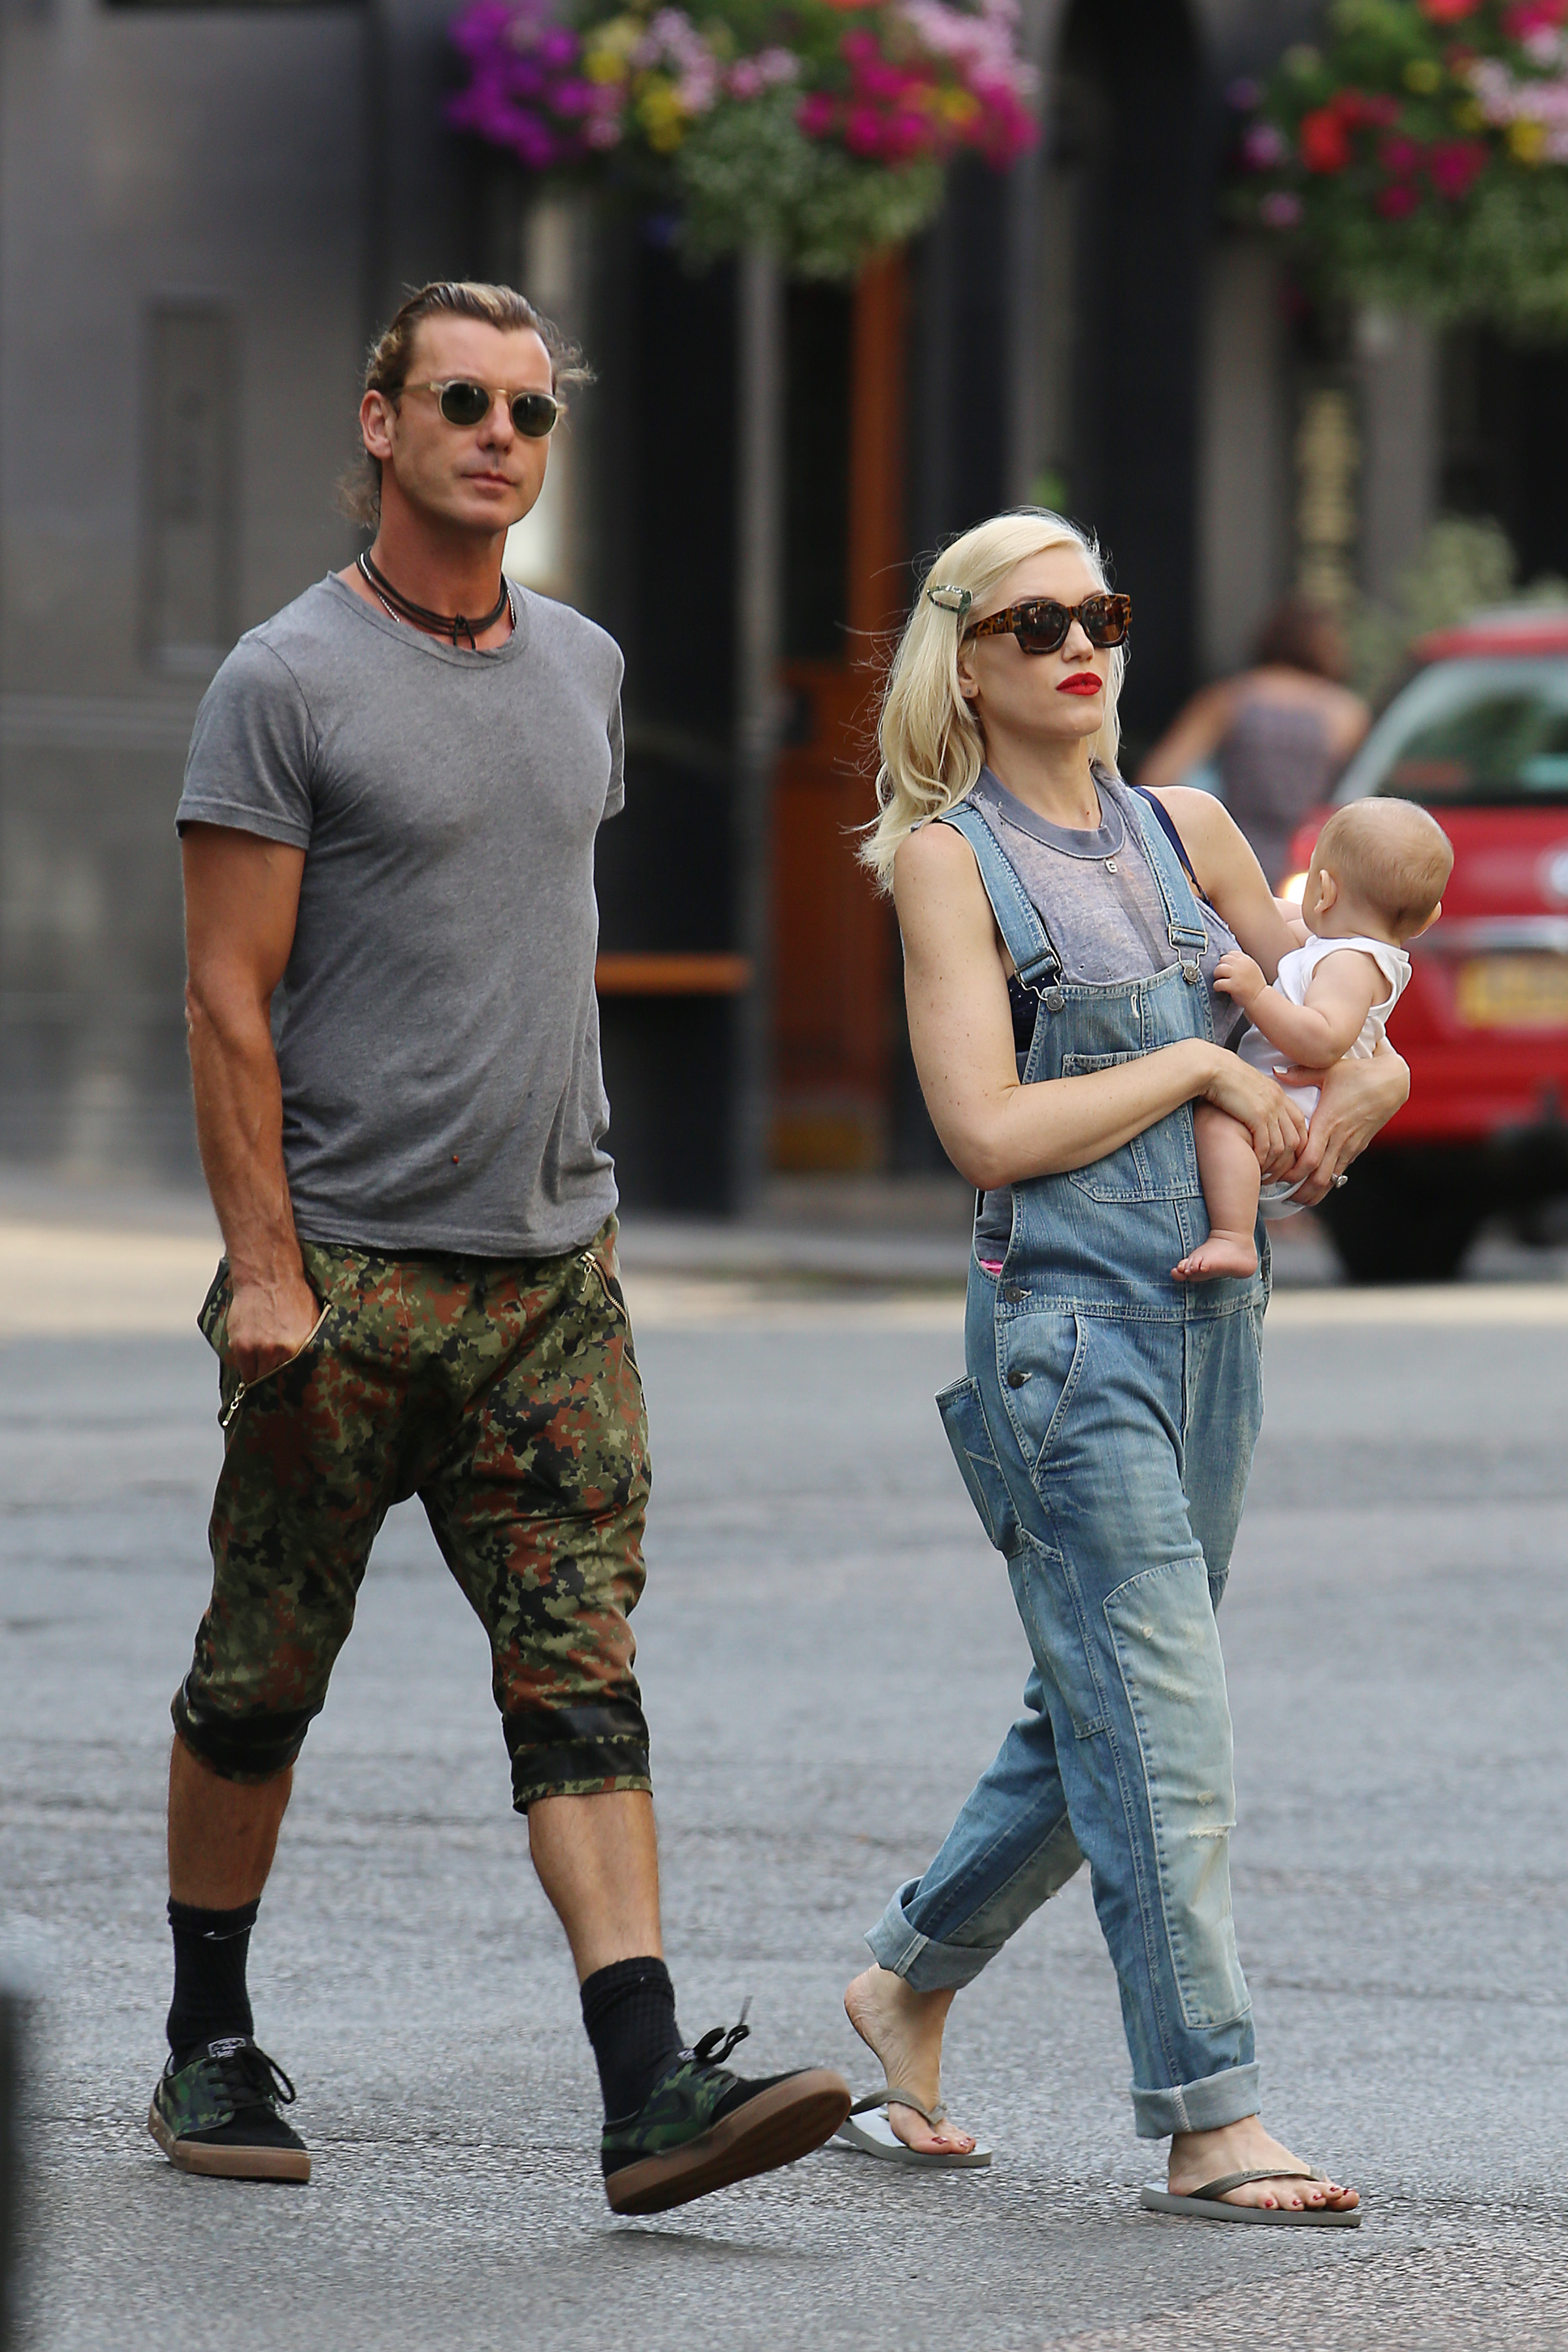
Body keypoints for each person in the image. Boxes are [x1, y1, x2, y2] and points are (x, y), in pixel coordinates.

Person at [148, 279, 849, 2210]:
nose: (497, 437)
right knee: (257, 1679)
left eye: (530, 413)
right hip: (347, 1277)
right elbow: (225, 999)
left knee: (582, 1676)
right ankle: (207, 2037)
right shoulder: (282, 680)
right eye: (460, 400)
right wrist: (268, 1269)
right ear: (378, 421)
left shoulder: (587, 667)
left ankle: (647, 2087)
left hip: (554, 1279)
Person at [839, 509, 1409, 2223]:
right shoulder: (948, 858)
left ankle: (907, 1980)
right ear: (969, 658)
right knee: (1165, 1719)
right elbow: (986, 1128)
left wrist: (1352, 1080)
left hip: (1213, 1325)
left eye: (1103, 612)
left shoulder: (1193, 825)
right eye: (1037, 623)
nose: (1083, 644)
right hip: (1065, 1335)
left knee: (1104, 1688)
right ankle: (1210, 2113)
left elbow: (1329, 997)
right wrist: (1206, 1082)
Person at [1177, 798, 1452, 1280]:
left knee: (1217, 1126)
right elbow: (1270, 913)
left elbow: (1323, 1040)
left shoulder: (1351, 964)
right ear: (1429, 918)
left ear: (1323, 891)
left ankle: (1234, 1238)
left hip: (1296, 1112)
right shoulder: (1338, 941)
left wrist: (1257, 995)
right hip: (1289, 1102)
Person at [1139, 596, 1370, 889]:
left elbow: (1158, 778)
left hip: (1234, 857)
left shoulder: (1228, 699)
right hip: (1317, 864)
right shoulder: (1346, 713)